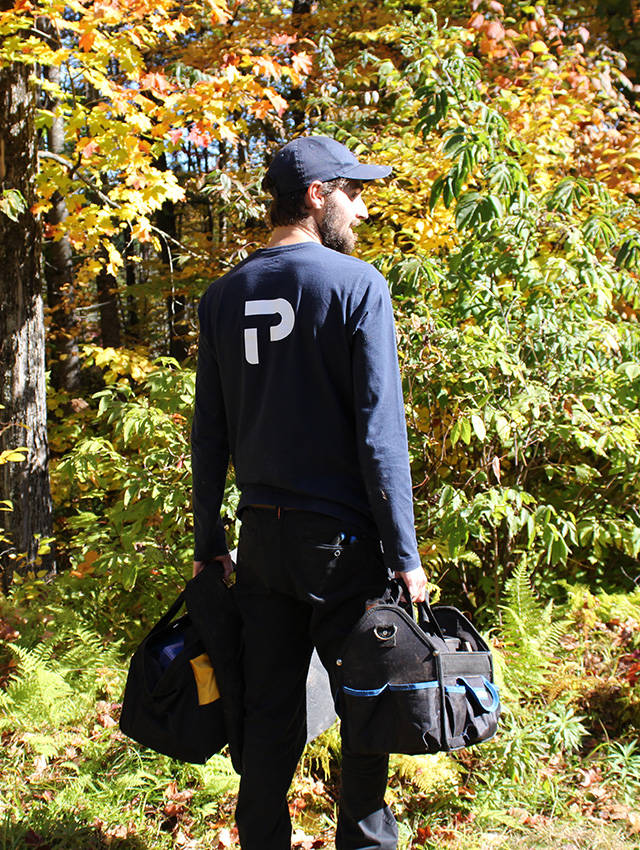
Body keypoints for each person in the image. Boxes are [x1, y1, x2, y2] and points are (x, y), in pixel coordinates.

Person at [191, 135, 428, 850]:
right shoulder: (357, 285)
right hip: (341, 546)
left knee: (267, 715)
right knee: (366, 708)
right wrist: (404, 554)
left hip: (261, 541)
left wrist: (210, 546)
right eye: (352, 192)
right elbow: (380, 436)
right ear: (317, 195)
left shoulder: (223, 296)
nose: (360, 208)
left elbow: (209, 436)